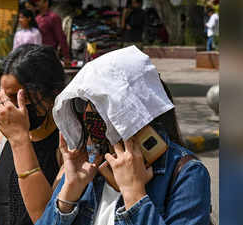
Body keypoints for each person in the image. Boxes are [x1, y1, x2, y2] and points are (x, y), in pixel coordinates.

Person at [35, 46, 212, 225]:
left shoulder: (186, 173)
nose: (89, 112)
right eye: (84, 104)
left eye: (102, 103)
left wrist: (134, 194)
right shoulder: (86, 165)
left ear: (135, 104)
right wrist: (68, 193)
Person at [0, 44, 65, 225]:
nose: (8, 108)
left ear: (52, 94)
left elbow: (46, 218)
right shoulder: (2, 139)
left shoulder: (66, 148)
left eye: (18, 98)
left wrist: (20, 141)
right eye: (4, 97)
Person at [33, 0, 70, 66]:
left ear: (46, 2)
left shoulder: (53, 17)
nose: (36, 3)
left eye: (39, 1)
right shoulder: (36, 18)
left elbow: (61, 37)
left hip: (49, 54)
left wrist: (66, 56)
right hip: (37, 54)